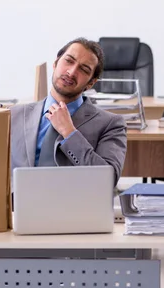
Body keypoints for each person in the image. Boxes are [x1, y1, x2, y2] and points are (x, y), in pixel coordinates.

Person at [10, 37, 127, 185]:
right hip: (17, 206)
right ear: (55, 63)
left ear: (91, 83)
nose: (71, 72)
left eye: (83, 69)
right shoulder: (15, 115)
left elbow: (107, 180)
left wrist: (70, 133)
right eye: (69, 61)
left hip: (73, 206)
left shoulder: (111, 124)